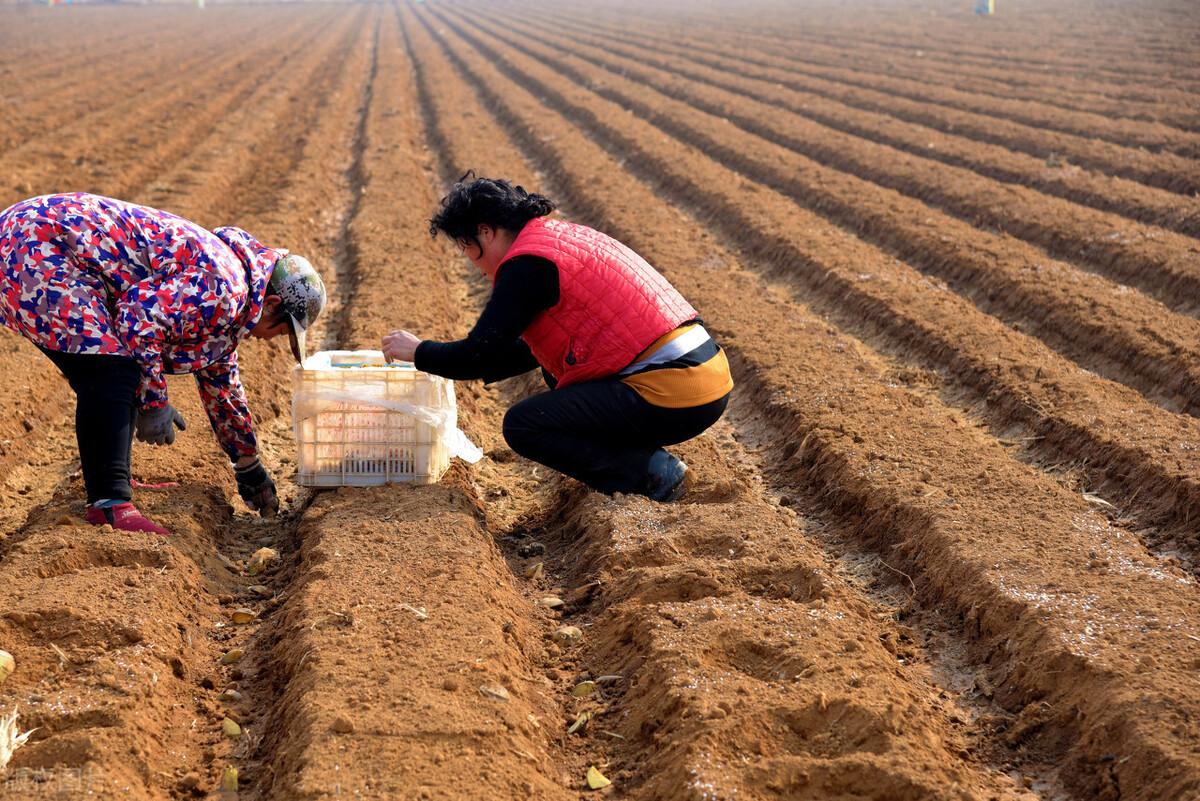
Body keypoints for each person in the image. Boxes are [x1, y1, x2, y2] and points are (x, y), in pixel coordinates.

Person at [382, 174, 732, 501]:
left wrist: (418, 351)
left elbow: (480, 353)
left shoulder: (526, 265)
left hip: (673, 389)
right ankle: (642, 467)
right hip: (706, 377)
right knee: (558, 382)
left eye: (465, 248)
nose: (473, 263)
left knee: (525, 425)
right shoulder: (559, 239)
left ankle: (652, 476)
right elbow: (525, 350)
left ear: (485, 232)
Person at [0, 193, 326, 536]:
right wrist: (155, 402)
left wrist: (248, 465)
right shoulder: (226, 288)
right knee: (112, 369)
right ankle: (111, 504)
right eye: (282, 330)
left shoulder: (234, 293)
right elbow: (136, 320)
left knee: (119, 366)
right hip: (37, 247)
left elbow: (222, 385)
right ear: (271, 303)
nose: (272, 339)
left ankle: (115, 485)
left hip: (36, 236)